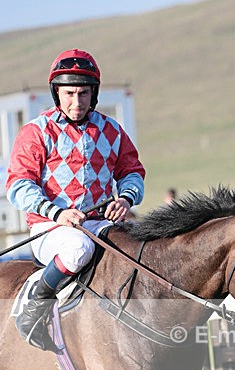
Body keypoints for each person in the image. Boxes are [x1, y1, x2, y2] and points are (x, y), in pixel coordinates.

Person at [6, 49, 145, 351]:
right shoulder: (35, 132)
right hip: (50, 229)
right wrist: (57, 214)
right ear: (57, 93)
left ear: (93, 94)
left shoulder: (112, 131)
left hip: (99, 224)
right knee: (78, 247)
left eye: (83, 93)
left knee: (137, 248)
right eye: (69, 93)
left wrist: (125, 198)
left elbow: (133, 173)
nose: (76, 102)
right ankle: (33, 305)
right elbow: (18, 185)